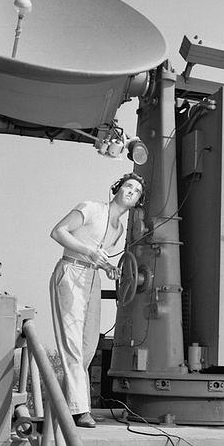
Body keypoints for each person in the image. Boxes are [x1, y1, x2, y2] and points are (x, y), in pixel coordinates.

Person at [49, 173, 145, 427]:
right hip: (70, 271)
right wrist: (88, 251)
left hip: (92, 278)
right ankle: (80, 411)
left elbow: (97, 256)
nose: (131, 192)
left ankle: (61, 404)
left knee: (88, 345)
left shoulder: (119, 229)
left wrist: (107, 267)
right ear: (117, 188)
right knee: (71, 343)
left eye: (136, 191)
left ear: (137, 202)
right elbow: (58, 232)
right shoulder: (90, 208)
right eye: (128, 186)